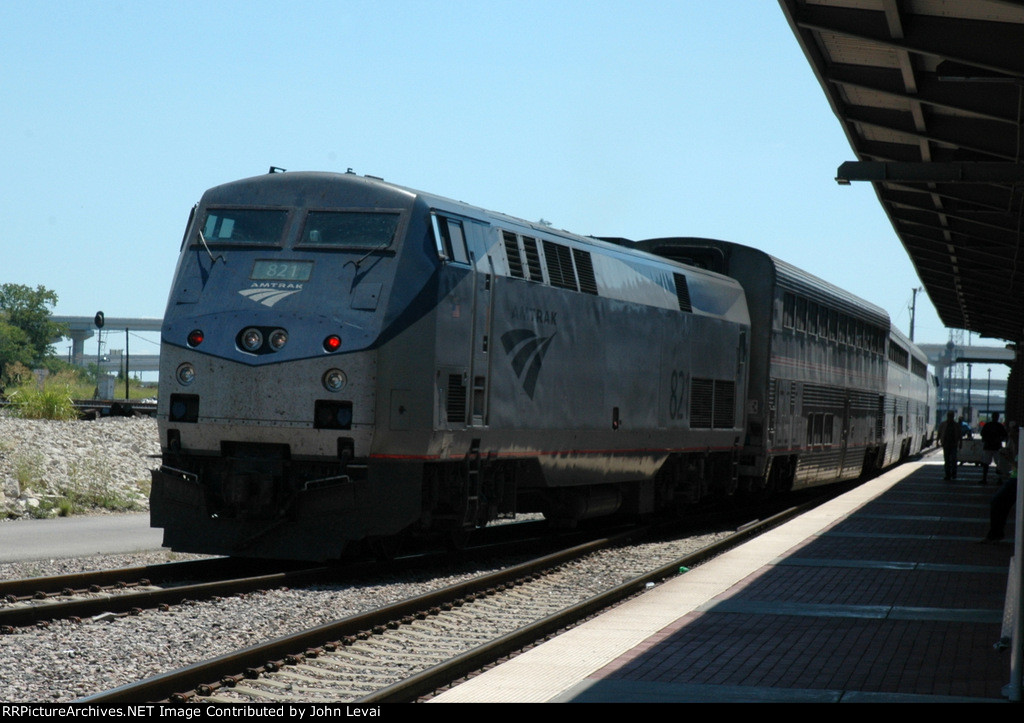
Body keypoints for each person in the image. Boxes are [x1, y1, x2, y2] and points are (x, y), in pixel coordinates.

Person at [981, 420, 1017, 544]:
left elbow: (1018, 465)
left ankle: (995, 534)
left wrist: (1009, 459)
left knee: (997, 502)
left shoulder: (1017, 443)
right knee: (998, 502)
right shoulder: (1014, 444)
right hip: (1015, 478)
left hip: (1017, 480)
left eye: (1012, 430)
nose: (1009, 432)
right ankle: (995, 533)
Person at [980, 412, 1008, 485]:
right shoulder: (1000, 426)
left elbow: (982, 434)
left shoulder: (988, 425)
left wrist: (987, 439)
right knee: (998, 464)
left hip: (988, 446)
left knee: (986, 463)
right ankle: (999, 479)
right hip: (997, 447)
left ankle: (984, 479)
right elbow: (1005, 435)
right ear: (997, 417)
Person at [938, 411, 962, 480]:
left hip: (953, 444)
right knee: (947, 460)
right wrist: (937, 441)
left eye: (951, 416)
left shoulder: (956, 425)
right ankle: (948, 474)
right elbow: (940, 433)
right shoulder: (943, 424)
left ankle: (953, 474)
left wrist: (960, 443)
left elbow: (959, 435)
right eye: (949, 416)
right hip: (946, 444)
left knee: (954, 460)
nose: (950, 417)